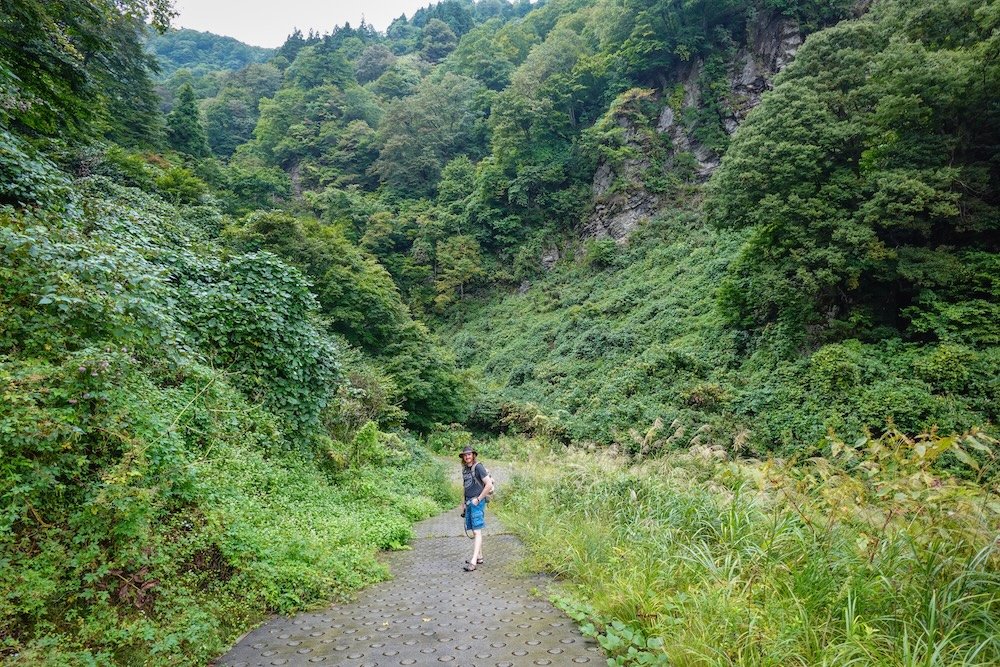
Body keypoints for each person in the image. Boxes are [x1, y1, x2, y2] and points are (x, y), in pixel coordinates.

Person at [459, 445, 493, 571]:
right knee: (474, 530)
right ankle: (479, 556)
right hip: (468, 502)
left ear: (473, 455)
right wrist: (463, 503)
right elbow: (465, 487)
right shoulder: (465, 470)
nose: (467, 456)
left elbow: (488, 485)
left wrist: (478, 499)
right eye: (465, 454)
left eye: (469, 454)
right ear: (463, 456)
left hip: (477, 502)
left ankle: (473, 561)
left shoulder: (478, 467)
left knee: (477, 531)